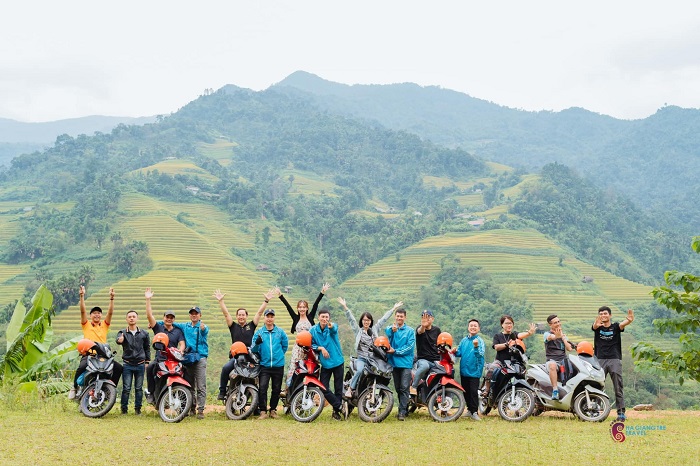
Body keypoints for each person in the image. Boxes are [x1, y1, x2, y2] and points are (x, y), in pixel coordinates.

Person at [214, 288, 276, 400]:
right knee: (225, 368)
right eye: (239, 315)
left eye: (243, 315)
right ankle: (222, 391)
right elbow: (226, 314)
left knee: (257, 376)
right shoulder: (233, 326)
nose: (241, 317)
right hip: (236, 357)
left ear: (246, 316)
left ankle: (257, 402)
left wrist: (266, 301)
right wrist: (221, 301)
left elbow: (259, 313)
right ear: (237, 316)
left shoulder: (251, 326)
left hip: (250, 356)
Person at [337, 297, 402, 398]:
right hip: (362, 359)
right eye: (364, 320)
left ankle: (377, 395)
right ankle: (350, 389)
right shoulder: (359, 332)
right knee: (359, 371)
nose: (366, 322)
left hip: (373, 359)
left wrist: (393, 309)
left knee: (384, 372)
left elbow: (383, 320)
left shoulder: (374, 330)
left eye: (368, 320)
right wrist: (345, 307)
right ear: (362, 321)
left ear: (371, 321)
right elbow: (351, 320)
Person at [70, 285, 123, 399]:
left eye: (99, 313)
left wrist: (112, 299)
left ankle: (109, 389)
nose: (97, 314)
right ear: (90, 316)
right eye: (94, 313)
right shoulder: (86, 325)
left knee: (118, 368)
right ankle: (74, 387)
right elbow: (82, 311)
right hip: (89, 352)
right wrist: (82, 296)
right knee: (81, 367)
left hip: (103, 353)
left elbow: (110, 313)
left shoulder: (104, 325)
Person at [277, 283, 330, 390]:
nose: (302, 309)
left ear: (306, 308)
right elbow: (287, 307)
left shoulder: (310, 317)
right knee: (293, 367)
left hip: (309, 348)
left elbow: (316, 304)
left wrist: (322, 292)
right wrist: (280, 296)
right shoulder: (295, 318)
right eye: (300, 307)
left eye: (304, 307)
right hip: (298, 348)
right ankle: (287, 389)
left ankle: (309, 390)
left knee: (309, 368)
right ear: (298, 308)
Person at [592, 306, 634, 422]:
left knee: (618, 386)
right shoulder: (597, 327)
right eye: (601, 313)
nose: (603, 315)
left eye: (605, 313)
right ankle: (595, 411)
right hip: (599, 359)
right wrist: (596, 323)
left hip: (614, 359)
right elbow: (594, 326)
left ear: (610, 315)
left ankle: (621, 413)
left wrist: (629, 320)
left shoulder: (615, 327)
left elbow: (623, 324)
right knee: (597, 386)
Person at [144, 288, 186, 403]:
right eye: (167, 317)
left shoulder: (177, 331)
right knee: (150, 368)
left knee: (185, 371)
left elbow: (182, 344)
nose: (169, 319)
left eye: (171, 317)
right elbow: (149, 315)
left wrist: (181, 350)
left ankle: (184, 398)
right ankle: (151, 393)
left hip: (172, 360)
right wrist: (148, 299)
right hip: (159, 359)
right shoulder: (158, 328)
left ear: (174, 319)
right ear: (164, 318)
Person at [172, 305, 209, 419]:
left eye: (196, 313)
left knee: (201, 385)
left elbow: (204, 331)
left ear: (200, 315)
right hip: (188, 359)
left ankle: (201, 410)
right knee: (190, 385)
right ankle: (191, 408)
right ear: (190, 315)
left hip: (200, 358)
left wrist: (202, 329)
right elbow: (170, 323)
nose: (194, 315)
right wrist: (155, 324)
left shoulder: (202, 327)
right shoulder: (185, 326)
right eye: (192, 313)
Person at [251, 309, 289, 419]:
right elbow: (253, 349)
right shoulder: (259, 333)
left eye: (272, 316)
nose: (269, 319)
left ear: (274, 318)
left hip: (278, 365)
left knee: (276, 389)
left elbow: (284, 346)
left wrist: (279, 355)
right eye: (268, 316)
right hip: (265, 365)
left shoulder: (280, 332)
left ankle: (273, 410)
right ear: (264, 318)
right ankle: (263, 411)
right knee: (262, 388)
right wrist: (257, 344)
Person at [483, 315, 536, 394]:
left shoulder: (514, 334)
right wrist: (507, 344)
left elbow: (520, 335)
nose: (509, 325)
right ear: (502, 325)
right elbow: (496, 347)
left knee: (522, 373)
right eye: (507, 323)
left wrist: (529, 333)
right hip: (500, 362)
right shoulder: (498, 336)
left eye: (511, 323)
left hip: (513, 363)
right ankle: (486, 390)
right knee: (491, 369)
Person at [310, 309, 347, 420]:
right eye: (323, 317)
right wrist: (320, 348)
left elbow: (334, 329)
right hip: (325, 364)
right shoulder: (313, 330)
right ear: (318, 317)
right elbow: (311, 344)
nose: (325, 319)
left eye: (327, 317)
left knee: (338, 388)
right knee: (323, 387)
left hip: (337, 362)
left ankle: (336, 413)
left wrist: (331, 326)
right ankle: (340, 406)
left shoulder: (331, 327)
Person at [116, 310, 150, 415]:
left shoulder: (144, 333)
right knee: (126, 388)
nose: (131, 318)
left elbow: (147, 348)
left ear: (137, 319)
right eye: (129, 317)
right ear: (126, 319)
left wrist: (147, 361)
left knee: (139, 388)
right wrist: (119, 340)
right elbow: (118, 340)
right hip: (127, 364)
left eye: (133, 316)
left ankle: (138, 409)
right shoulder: (122, 332)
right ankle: (124, 409)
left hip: (140, 364)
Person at [385, 307, 415, 421]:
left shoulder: (410, 331)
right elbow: (386, 333)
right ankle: (404, 408)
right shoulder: (392, 329)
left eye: (401, 316)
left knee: (404, 387)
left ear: (405, 317)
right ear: (395, 317)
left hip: (406, 363)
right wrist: (391, 330)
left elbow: (410, 347)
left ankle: (402, 412)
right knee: (398, 388)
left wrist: (396, 351)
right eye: (397, 316)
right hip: (394, 363)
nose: (399, 318)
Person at [453, 319, 485, 420]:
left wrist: (476, 347)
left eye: (475, 326)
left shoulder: (480, 341)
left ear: (479, 328)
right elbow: (459, 353)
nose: (473, 327)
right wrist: (454, 351)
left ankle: (475, 412)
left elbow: (480, 354)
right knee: (466, 391)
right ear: (468, 327)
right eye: (471, 325)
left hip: (474, 371)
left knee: (473, 391)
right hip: (464, 370)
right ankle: (469, 410)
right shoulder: (464, 340)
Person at [543, 314, 574, 401]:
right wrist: (557, 336)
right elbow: (551, 337)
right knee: (552, 365)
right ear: (550, 325)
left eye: (558, 321)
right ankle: (555, 390)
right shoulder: (546, 334)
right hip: (552, 360)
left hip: (564, 361)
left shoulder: (564, 336)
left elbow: (569, 348)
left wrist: (563, 338)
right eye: (555, 322)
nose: (558, 324)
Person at [411, 310, 441, 395]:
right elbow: (420, 331)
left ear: (432, 319)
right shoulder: (419, 328)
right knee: (425, 366)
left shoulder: (437, 330)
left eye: (428, 317)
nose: (426, 319)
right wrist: (423, 326)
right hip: (423, 360)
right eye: (424, 317)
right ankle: (414, 386)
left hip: (436, 361)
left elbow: (441, 344)